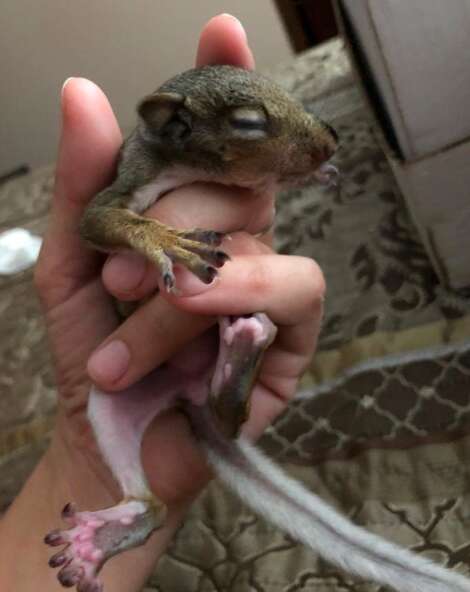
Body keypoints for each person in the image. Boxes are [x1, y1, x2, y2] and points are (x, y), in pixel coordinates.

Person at [0, 14, 325, 591]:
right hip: (139, 377)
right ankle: (137, 499)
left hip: (200, 344)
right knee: (107, 402)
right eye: (254, 124)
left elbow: (294, 147)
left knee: (230, 335)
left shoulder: (216, 167)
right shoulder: (145, 166)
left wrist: (292, 162)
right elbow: (100, 221)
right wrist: (154, 237)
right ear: (175, 127)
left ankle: (233, 371)